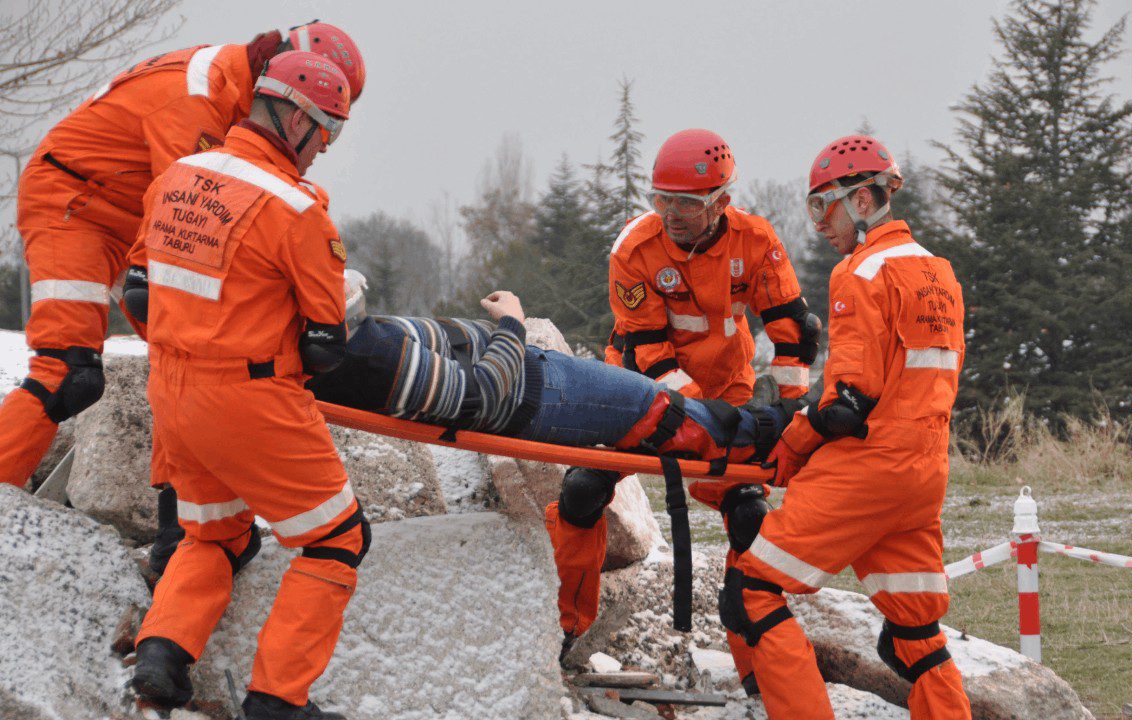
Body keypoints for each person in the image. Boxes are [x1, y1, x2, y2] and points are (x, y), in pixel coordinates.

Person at [0, 21, 365, 491]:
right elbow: (190, 226)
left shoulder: (241, 94)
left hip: (132, 207)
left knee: (191, 367)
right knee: (68, 371)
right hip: (75, 205)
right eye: (321, 121)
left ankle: (181, 536)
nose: (321, 142)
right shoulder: (199, 103)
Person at [127, 51, 361, 720]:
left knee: (214, 534)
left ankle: (161, 660)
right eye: (328, 133)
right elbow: (326, 344)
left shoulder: (178, 175)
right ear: (296, 119)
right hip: (249, 395)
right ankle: (277, 701)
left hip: (171, 393)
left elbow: (139, 293)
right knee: (337, 538)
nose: (324, 151)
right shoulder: (296, 206)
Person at [548, 128, 820, 682]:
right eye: (661, 199)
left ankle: (755, 662)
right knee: (582, 489)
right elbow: (648, 352)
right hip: (639, 389)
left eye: (687, 203)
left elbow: (792, 332)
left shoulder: (757, 241)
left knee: (748, 513)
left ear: (720, 201)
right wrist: (703, 421)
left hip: (728, 388)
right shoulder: (634, 250)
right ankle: (564, 633)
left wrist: (792, 413)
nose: (671, 214)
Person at [725, 135, 972, 719]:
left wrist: (792, 439)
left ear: (863, 200)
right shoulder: (939, 274)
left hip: (868, 468)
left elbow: (847, 405)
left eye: (823, 207)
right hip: (923, 473)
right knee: (914, 632)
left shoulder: (859, 272)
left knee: (752, 594)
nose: (819, 225)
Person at [307, 271, 799, 469]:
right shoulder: (370, 359)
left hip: (538, 379)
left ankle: (768, 431)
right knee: (658, 411)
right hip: (537, 393)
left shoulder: (338, 353)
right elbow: (481, 396)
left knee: (656, 411)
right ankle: (783, 438)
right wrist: (513, 325)